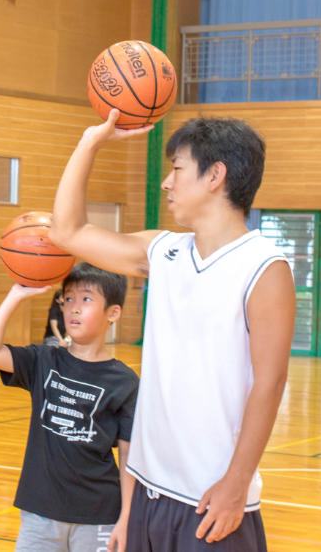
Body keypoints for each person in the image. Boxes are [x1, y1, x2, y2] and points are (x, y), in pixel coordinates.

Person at [50, 110, 295, 551]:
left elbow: (270, 382)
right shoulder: (162, 250)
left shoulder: (263, 267)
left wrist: (236, 485)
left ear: (215, 175)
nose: (166, 182)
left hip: (211, 499)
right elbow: (67, 231)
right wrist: (90, 142)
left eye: (178, 169)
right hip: (147, 493)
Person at [0, 263, 139, 552]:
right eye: (68, 299)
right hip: (40, 512)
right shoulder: (43, 360)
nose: (74, 308)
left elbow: (129, 456)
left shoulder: (125, 381)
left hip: (99, 514)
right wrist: (15, 295)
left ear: (113, 312)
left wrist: (126, 518)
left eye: (86, 299)